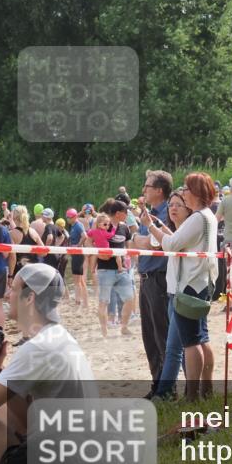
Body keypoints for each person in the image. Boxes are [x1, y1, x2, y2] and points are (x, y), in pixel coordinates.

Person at [0, 264, 95, 464]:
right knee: (0, 409)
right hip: (78, 448)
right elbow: (26, 415)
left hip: (61, 460)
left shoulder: (38, 347)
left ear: (30, 298)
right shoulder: (55, 335)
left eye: (13, 289)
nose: (7, 294)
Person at [145, 174, 218, 401]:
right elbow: (181, 242)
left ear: (195, 192)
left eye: (186, 189)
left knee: (191, 343)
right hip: (200, 282)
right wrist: (162, 229)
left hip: (189, 285)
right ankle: (206, 390)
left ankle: (193, 396)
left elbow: (172, 245)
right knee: (201, 339)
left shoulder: (197, 218)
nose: (183, 192)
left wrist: (150, 226)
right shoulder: (207, 216)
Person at [134, 170, 172, 397]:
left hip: (159, 278)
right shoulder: (148, 215)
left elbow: (152, 243)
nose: (143, 190)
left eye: (147, 186)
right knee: (149, 336)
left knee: (161, 334)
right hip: (146, 277)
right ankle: (157, 384)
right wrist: (140, 240)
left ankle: (167, 389)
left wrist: (139, 239)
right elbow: (137, 243)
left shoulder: (168, 212)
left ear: (159, 190)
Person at [93, 201, 136, 337]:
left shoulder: (125, 227)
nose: (128, 214)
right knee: (104, 301)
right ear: (118, 213)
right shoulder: (104, 224)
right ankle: (104, 331)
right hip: (105, 269)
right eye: (126, 212)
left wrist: (131, 260)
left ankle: (124, 327)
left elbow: (129, 246)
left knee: (129, 298)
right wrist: (97, 254)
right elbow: (90, 240)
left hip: (121, 269)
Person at [65, 208, 89, 307]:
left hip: (78, 255)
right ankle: (84, 302)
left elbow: (85, 236)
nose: (67, 219)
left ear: (74, 217)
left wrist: (78, 246)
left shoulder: (78, 225)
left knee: (77, 280)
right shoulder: (73, 225)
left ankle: (78, 301)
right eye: (67, 217)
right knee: (80, 280)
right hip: (76, 254)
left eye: (69, 217)